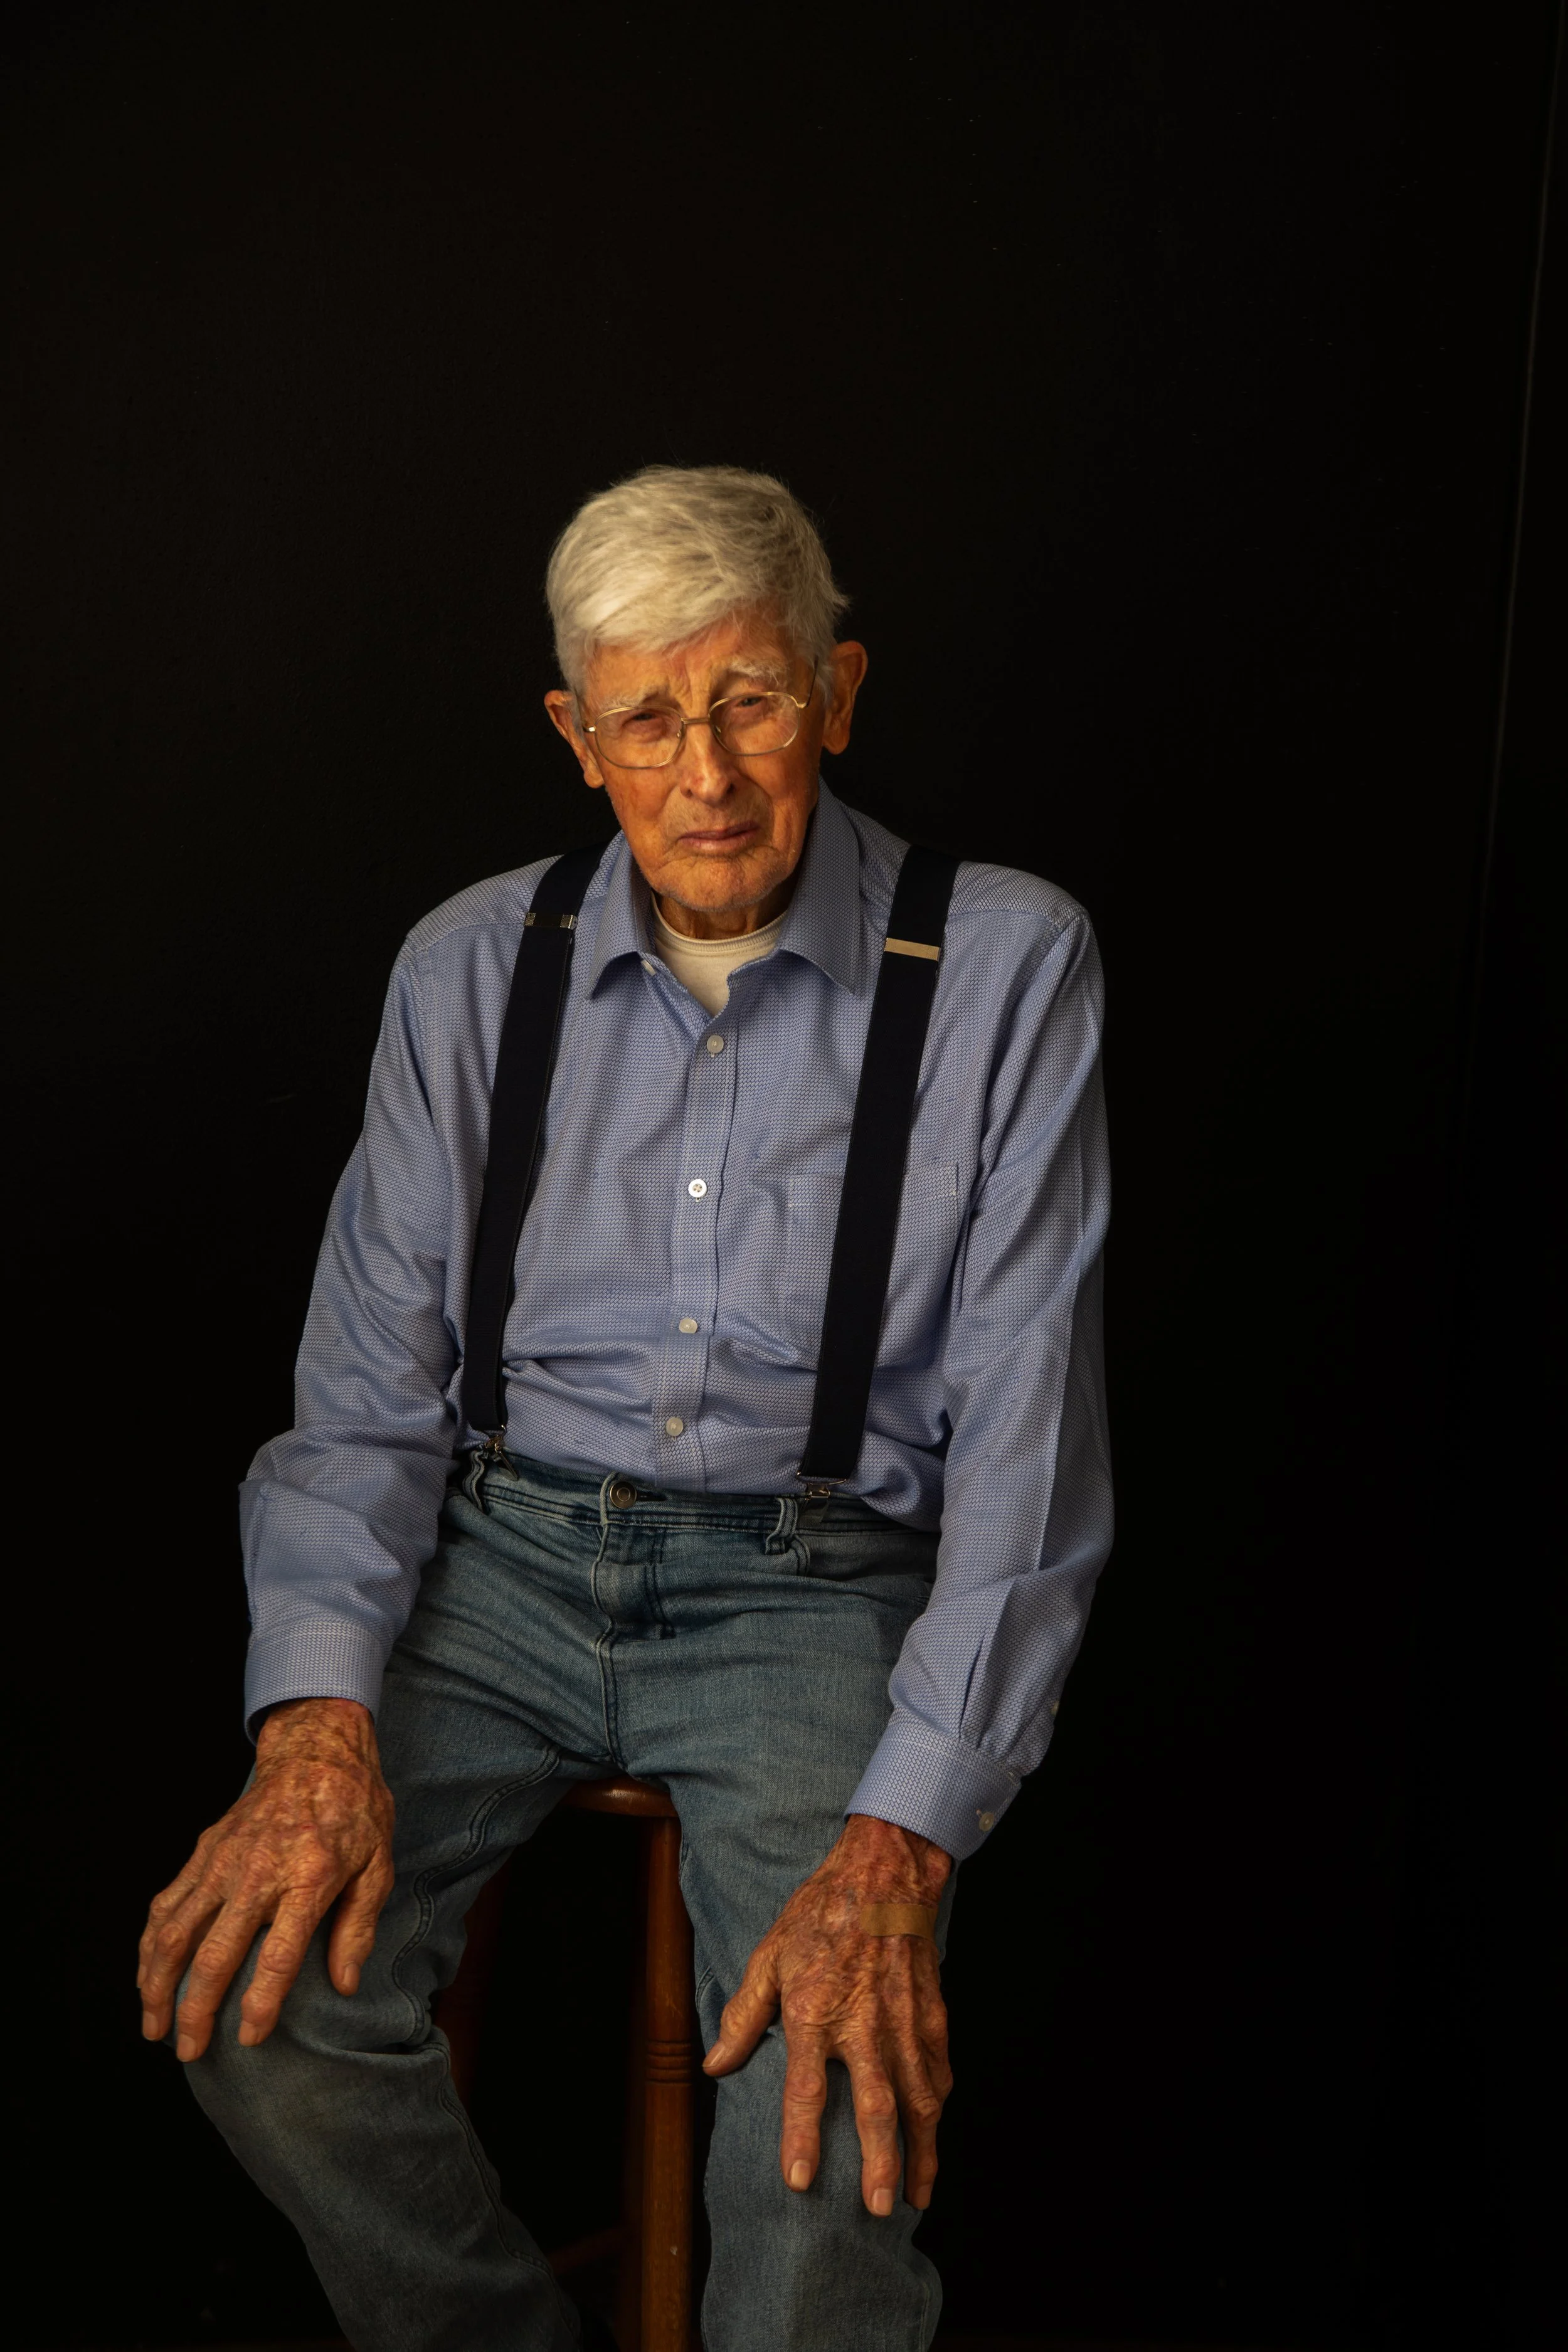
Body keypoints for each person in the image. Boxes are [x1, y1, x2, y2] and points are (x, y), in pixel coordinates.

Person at [137, 465, 1113, 2352]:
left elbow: (1027, 1462)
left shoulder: (1004, 966)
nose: (709, 772)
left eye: (749, 699)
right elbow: (361, 1406)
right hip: (494, 1562)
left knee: (829, 2134)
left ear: (834, 692)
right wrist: (314, 1731)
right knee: (255, 1994)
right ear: (576, 737)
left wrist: (897, 1843)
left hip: (812, 1582)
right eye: (649, 717)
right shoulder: (464, 966)